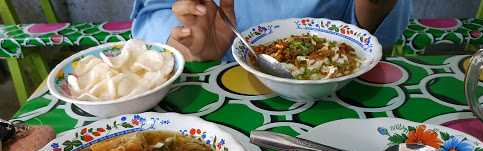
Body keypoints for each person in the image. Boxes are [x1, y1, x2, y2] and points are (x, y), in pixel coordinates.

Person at [131, 0, 411, 61]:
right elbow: (154, 12)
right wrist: (183, 45)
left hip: (331, 89)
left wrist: (374, 10)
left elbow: (373, 35)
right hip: (212, 83)